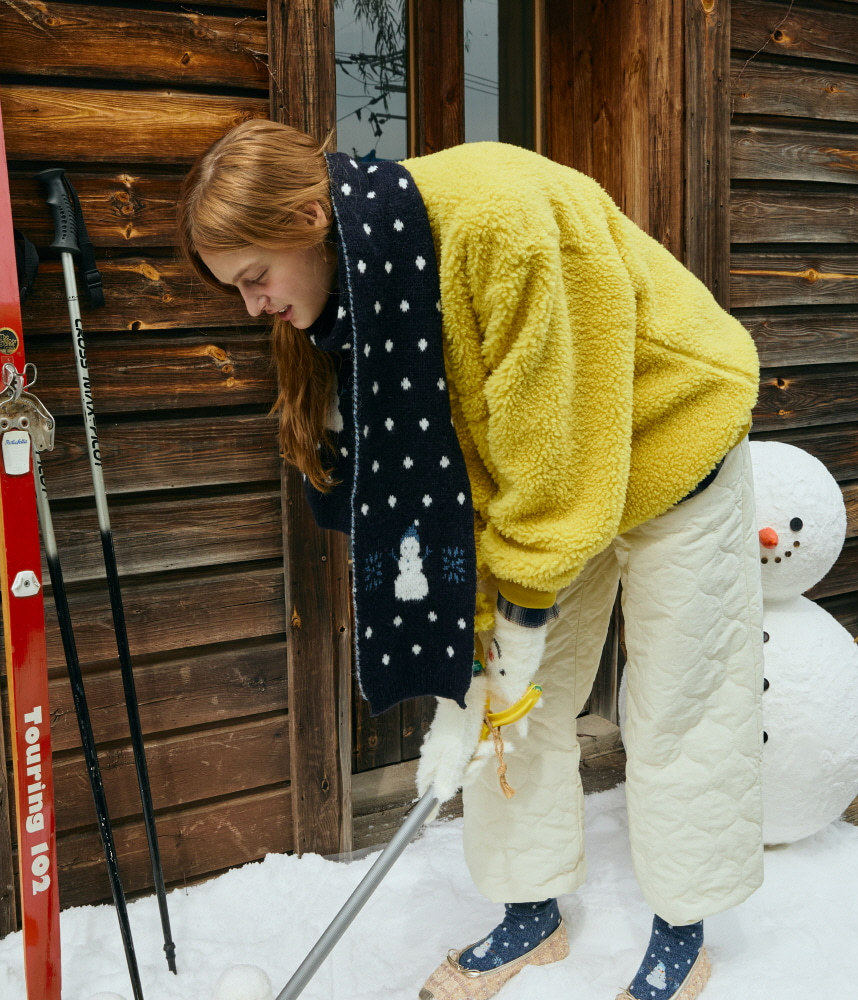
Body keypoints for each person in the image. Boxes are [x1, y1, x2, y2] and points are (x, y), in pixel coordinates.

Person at [178, 119, 764, 1000]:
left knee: (679, 700)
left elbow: (557, 443)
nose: (253, 306)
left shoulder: (500, 220)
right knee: (504, 703)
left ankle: (684, 925)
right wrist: (487, 635)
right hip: (549, 481)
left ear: (309, 214)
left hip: (671, 435)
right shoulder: (363, 298)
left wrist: (520, 614)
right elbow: (463, 473)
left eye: (255, 278)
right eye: (237, 290)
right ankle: (531, 912)